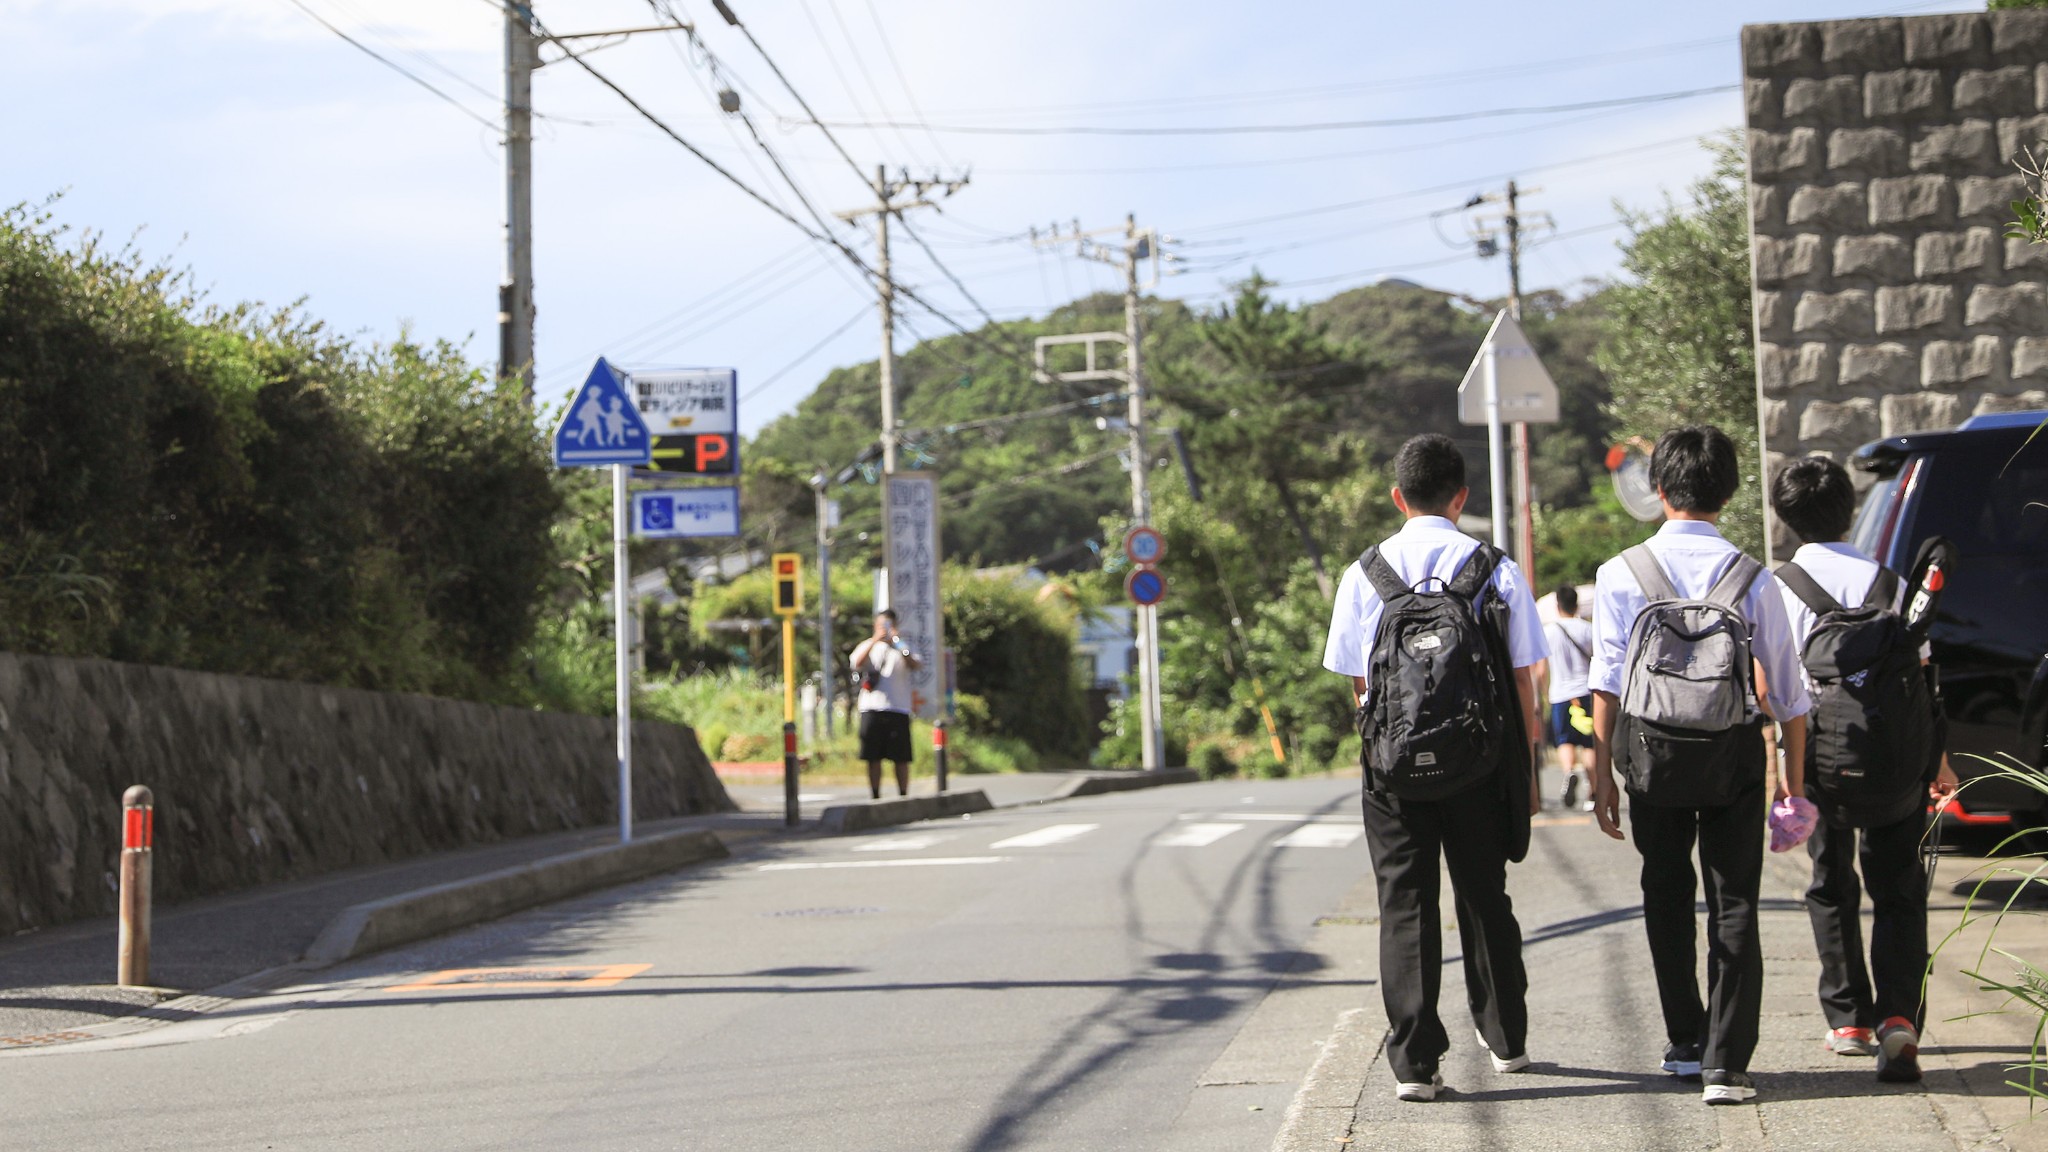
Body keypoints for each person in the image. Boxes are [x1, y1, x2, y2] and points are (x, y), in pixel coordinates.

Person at [1585, 425, 1811, 1107]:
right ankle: (1727, 1064)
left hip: (1651, 754)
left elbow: (1605, 682)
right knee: (1734, 901)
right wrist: (1792, 791)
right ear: (1730, 491)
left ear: (1658, 489)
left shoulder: (1621, 572)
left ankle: (1685, 1043)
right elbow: (1791, 697)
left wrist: (1601, 776)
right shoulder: (1753, 578)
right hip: (1733, 754)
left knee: (1665, 890)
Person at [1322, 433, 1547, 1103]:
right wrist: (1525, 770)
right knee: (1484, 896)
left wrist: (1388, 741)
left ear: (1397, 496)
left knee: (1406, 905)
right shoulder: (1493, 568)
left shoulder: (1365, 572)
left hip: (1392, 769)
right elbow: (1524, 682)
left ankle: (1416, 1062)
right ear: (1462, 496)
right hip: (1479, 764)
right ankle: (1506, 1038)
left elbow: (1358, 683)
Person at [1770, 456, 1958, 1083]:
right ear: (1849, 511)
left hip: (1822, 758)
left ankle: (1848, 1016)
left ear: (1786, 517)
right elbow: (1924, 675)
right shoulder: (1890, 583)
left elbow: (1780, 692)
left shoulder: (1783, 587)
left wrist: (1786, 779)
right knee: (1899, 888)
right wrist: (1940, 760)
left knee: (1829, 880)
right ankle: (1899, 1017)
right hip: (1898, 761)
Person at [850, 609, 922, 800]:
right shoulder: (867, 645)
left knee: (901, 757)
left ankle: (903, 794)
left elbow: (915, 664)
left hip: (898, 707)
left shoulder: (903, 646)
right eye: (882, 625)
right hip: (872, 707)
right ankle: (875, 794)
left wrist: (897, 642)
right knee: (872, 756)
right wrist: (875, 640)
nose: (885, 629)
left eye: (888, 625)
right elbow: (856, 662)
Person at [1543, 583, 1596, 812]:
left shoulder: (1549, 632)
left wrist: (1541, 694)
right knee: (1589, 743)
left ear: (1557, 605)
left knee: (1565, 740)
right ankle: (1592, 793)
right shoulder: (1587, 629)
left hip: (1560, 694)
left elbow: (1540, 668)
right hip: (1586, 691)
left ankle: (1569, 772)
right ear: (1576, 604)